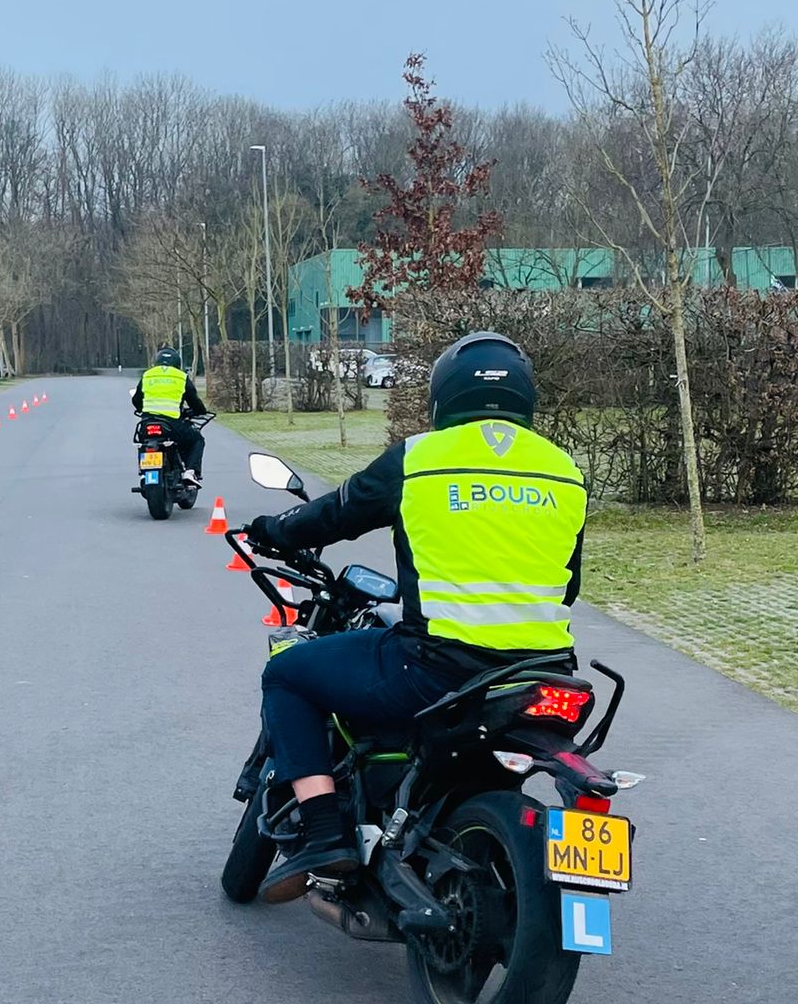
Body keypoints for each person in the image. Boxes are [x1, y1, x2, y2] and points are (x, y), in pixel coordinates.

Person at [244, 331, 587, 904]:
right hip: (545, 674)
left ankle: (325, 835)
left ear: (444, 395)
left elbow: (335, 515)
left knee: (287, 674)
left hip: (437, 667)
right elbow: (568, 584)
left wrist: (272, 531)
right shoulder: (563, 470)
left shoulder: (420, 457)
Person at [131, 346, 208, 486]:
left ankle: (144, 472)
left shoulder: (148, 375)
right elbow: (194, 401)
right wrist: (199, 411)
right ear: (177, 363)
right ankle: (190, 472)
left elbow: (136, 400)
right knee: (197, 440)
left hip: (147, 423)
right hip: (173, 426)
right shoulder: (181, 377)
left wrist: (143, 409)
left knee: (144, 443)